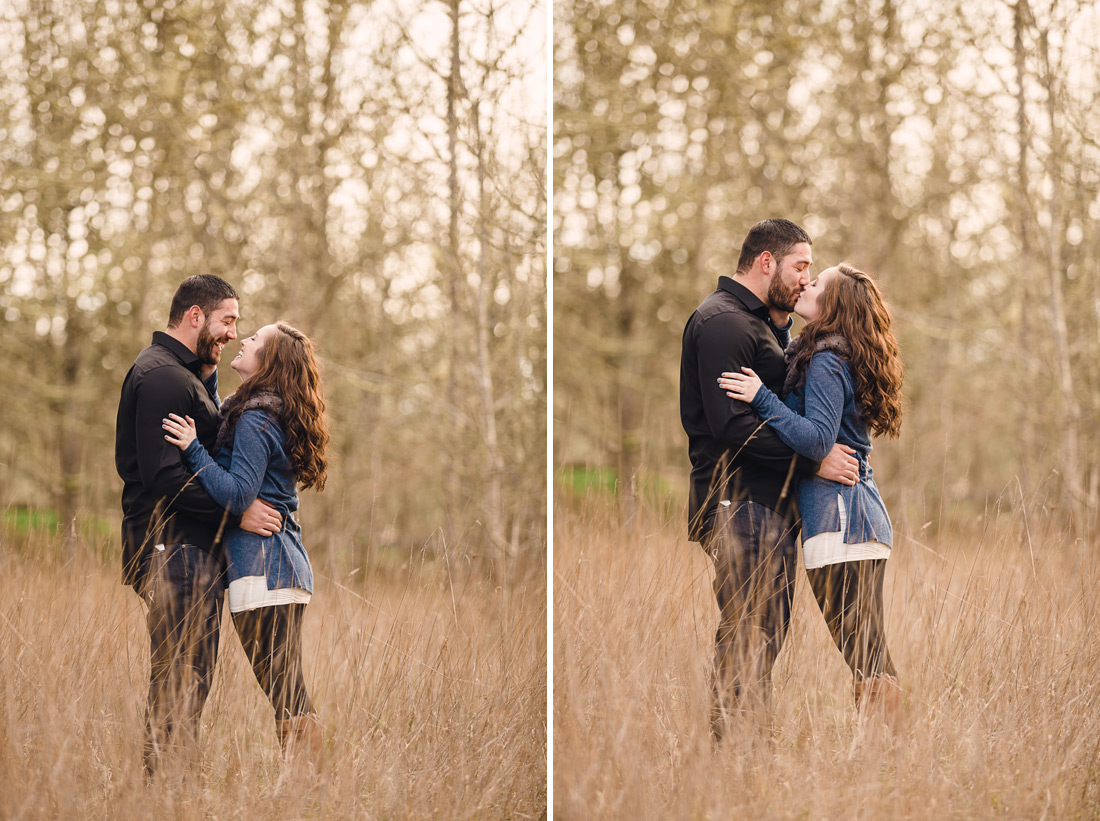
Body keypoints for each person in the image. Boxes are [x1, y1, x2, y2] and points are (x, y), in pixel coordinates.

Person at [680, 218, 860, 741]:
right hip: (739, 505)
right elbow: (731, 426)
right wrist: (813, 461)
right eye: (800, 266)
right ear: (766, 262)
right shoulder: (724, 322)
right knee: (750, 634)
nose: (806, 279)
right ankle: (739, 758)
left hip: (768, 510)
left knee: (762, 634)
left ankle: (744, 759)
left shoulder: (764, 326)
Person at [718, 263, 904, 719]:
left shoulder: (827, 357)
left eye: (817, 282)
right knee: (866, 653)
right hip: (859, 518)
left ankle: (893, 751)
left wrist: (761, 397)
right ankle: (887, 753)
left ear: (832, 304)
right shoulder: (824, 352)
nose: (806, 283)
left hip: (840, 520)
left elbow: (819, 440)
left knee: (865, 654)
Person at [115, 275, 283, 776]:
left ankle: (171, 789)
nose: (234, 331)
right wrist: (239, 512)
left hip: (187, 554)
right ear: (195, 316)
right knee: (181, 678)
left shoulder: (186, 375)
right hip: (173, 551)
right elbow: (164, 475)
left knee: (189, 676)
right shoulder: (164, 375)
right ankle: (168, 791)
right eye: (228, 320)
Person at [162, 320, 330, 770]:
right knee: (286, 691)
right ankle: (310, 787)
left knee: (286, 692)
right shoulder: (252, 408)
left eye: (254, 339)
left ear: (269, 362)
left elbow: (238, 494)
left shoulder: (257, 417)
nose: (243, 339)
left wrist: (193, 448)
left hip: (266, 571)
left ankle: (316, 787)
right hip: (279, 571)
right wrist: (210, 368)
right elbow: (221, 414)